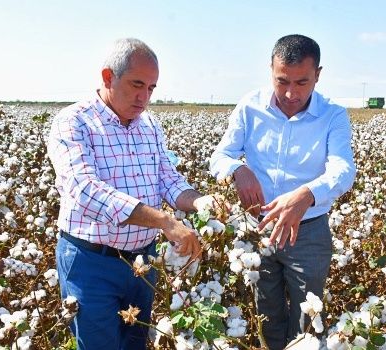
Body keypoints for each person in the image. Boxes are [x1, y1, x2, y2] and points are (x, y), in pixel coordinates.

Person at [47, 38, 210, 350]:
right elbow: (84, 190)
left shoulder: (149, 125)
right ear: (108, 77)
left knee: (135, 344)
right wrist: (164, 221)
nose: (144, 96)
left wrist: (198, 200)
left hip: (141, 263)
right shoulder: (74, 121)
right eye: (137, 84)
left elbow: (167, 178)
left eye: (151, 88)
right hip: (91, 263)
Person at [210, 34, 356, 349]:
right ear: (271, 70)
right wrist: (239, 169)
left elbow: (343, 171)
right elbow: (219, 157)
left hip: (308, 232)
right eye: (282, 81)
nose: (291, 93)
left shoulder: (333, 115)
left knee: (307, 320)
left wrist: (307, 194)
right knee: (266, 316)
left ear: (318, 74)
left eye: (302, 82)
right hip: (258, 228)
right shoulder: (250, 106)